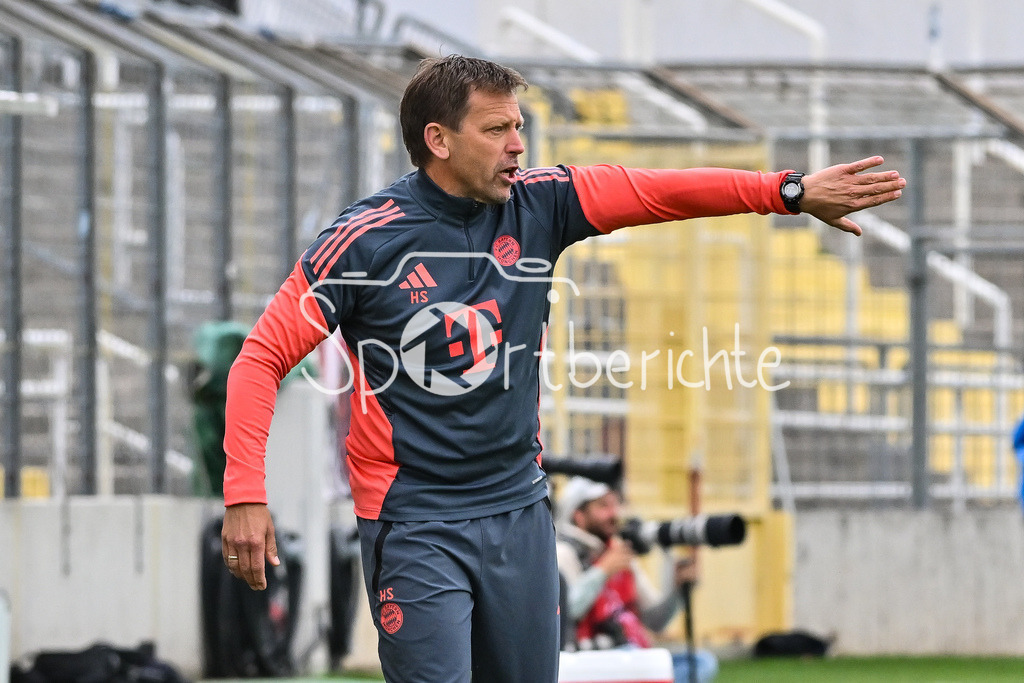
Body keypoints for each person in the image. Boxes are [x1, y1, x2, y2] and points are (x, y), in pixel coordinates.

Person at [219, 54, 906, 682]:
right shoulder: (365, 241)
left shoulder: (541, 202)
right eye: (497, 129)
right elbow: (260, 357)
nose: (518, 144)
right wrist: (247, 492)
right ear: (438, 139)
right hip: (415, 520)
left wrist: (786, 191)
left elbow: (657, 192)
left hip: (519, 510)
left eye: (519, 126)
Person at [556, 477, 719, 683]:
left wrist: (677, 589)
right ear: (578, 514)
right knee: (636, 655)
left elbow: (656, 621)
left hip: (632, 655)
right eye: (603, 506)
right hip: (592, 659)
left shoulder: (618, 551)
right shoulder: (563, 551)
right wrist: (602, 571)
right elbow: (567, 611)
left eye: (615, 504)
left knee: (701, 662)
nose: (614, 514)